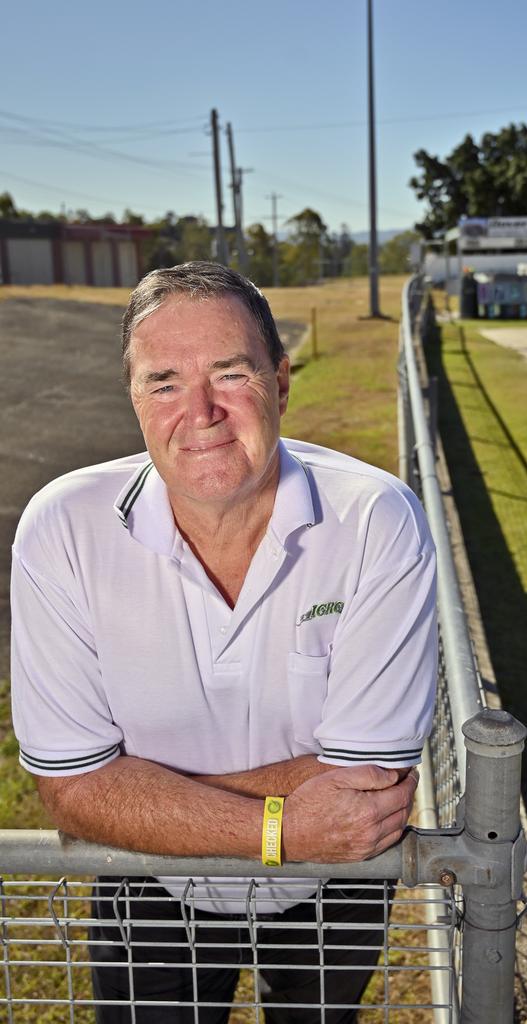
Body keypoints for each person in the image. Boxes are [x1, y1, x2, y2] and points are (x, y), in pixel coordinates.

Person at [10, 261, 437, 1022]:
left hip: (331, 883)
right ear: (135, 398)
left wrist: (140, 791)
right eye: (164, 381)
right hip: (151, 881)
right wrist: (282, 824)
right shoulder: (61, 529)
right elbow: (71, 787)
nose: (199, 411)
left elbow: (362, 781)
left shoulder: (378, 520)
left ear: (280, 378)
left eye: (230, 373)